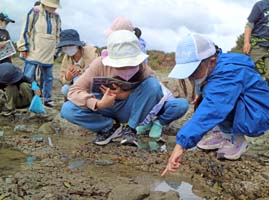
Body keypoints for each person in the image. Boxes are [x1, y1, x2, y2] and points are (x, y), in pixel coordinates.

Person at [162, 34, 269, 175]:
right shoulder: (216, 66)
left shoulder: (229, 73)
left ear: (211, 61)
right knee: (210, 93)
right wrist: (202, 94)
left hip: (259, 114)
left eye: (194, 70)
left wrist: (181, 145)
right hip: (248, 108)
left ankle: (236, 139)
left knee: (217, 102)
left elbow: (213, 108)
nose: (191, 76)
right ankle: (222, 133)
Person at [60, 30, 188, 147]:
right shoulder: (99, 64)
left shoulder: (142, 67)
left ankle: (130, 130)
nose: (126, 69)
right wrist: (98, 103)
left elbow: (155, 91)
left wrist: (126, 94)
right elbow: (74, 90)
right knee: (67, 109)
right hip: (105, 108)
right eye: (121, 66)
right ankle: (109, 128)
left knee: (153, 84)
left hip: (131, 109)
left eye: (130, 64)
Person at [17, 0, 61, 107]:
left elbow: (58, 35)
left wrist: (56, 52)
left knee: (48, 77)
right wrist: (23, 47)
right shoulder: (34, 12)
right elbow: (25, 30)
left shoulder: (56, 17)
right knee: (28, 77)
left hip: (49, 52)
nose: (54, 8)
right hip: (34, 50)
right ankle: (28, 98)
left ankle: (47, 98)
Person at [57, 29, 99, 98]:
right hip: (76, 88)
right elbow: (62, 79)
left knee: (77, 79)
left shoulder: (91, 53)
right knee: (65, 89)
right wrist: (67, 77)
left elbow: (98, 74)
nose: (67, 48)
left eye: (70, 45)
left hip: (91, 87)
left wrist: (81, 74)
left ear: (77, 45)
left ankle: (84, 100)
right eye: (64, 46)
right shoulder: (66, 57)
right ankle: (79, 100)